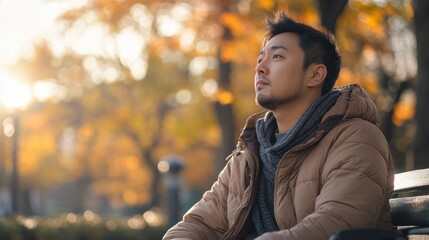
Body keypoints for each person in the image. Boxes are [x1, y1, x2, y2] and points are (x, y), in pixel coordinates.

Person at [163, 11, 394, 240]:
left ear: (315, 75)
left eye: (277, 57)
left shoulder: (356, 138)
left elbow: (338, 222)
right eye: (260, 59)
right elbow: (198, 224)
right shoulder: (248, 155)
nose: (260, 68)